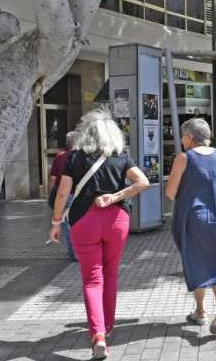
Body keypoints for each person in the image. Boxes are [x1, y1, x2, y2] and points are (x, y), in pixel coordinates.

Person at [49, 109, 149, 360]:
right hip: (116, 220)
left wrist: (56, 221)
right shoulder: (122, 157)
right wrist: (114, 197)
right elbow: (143, 183)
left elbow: (62, 193)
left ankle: (98, 336)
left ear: (86, 133)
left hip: (85, 221)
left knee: (92, 279)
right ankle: (109, 325)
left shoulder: (74, 158)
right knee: (111, 272)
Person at [165, 118, 216, 336]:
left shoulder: (184, 158)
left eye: (183, 135)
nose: (182, 140)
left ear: (190, 137)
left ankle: (200, 312)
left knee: (197, 262)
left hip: (196, 217)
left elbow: (170, 193)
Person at [48, 130, 80, 261]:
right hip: (79, 195)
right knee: (80, 223)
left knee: (68, 225)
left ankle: (74, 253)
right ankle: (82, 250)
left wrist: (51, 193)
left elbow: (53, 178)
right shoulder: (82, 156)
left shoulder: (60, 156)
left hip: (65, 195)